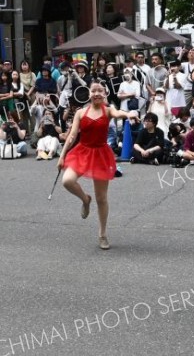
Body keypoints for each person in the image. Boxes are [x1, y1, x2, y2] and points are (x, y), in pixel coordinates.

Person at [57, 81, 138, 250]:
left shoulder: (107, 110)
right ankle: (85, 200)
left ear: (105, 94)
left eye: (100, 91)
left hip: (101, 154)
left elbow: (117, 113)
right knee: (67, 181)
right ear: (89, 94)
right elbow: (72, 136)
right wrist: (62, 156)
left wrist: (128, 114)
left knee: (102, 198)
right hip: (82, 152)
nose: (96, 93)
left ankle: (102, 234)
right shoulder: (80, 112)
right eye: (93, 91)